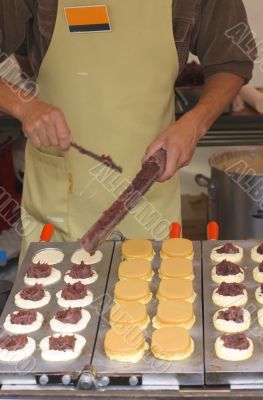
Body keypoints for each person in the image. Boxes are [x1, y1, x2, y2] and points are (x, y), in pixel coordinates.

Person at [0, 0, 256, 261]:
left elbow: (232, 59)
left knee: (155, 294)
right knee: (52, 296)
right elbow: (24, 50)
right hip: (60, 200)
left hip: (151, 192)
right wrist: (25, 105)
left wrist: (195, 124)